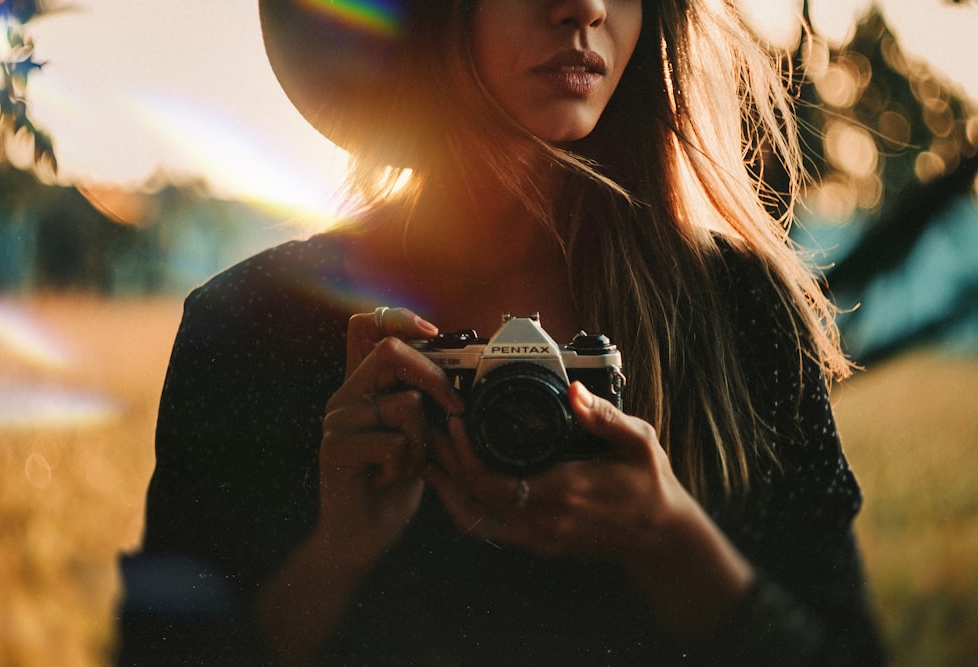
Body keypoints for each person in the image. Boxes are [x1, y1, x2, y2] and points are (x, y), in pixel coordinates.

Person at [119, 0, 885, 665]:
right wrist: (335, 553)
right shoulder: (252, 327)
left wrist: (670, 538)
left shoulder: (742, 313)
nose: (584, 7)